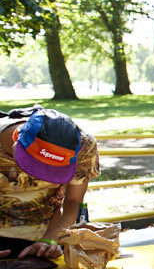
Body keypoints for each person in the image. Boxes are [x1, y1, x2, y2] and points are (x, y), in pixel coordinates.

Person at [0, 106, 99, 260]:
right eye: (31, 164)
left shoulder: (82, 147)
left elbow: (73, 201)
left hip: (49, 237)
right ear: (15, 137)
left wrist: (51, 239)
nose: (38, 176)